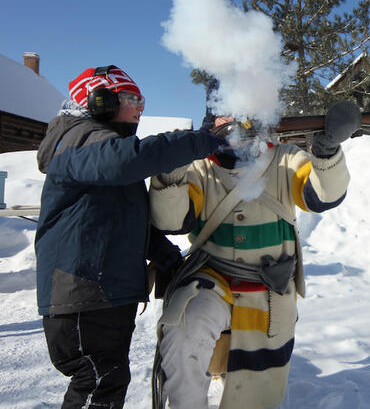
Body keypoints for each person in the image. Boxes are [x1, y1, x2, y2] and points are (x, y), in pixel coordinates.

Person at [34, 65, 228, 409]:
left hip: (102, 295)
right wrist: (203, 140)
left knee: (106, 382)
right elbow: (128, 160)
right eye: (130, 99)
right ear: (99, 102)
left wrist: (162, 251)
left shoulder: (100, 149)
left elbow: (124, 216)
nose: (140, 108)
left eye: (141, 100)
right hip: (82, 294)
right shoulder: (80, 138)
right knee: (98, 382)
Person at [149, 100, 360, 409]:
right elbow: (171, 222)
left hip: (268, 287)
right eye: (225, 110)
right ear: (211, 118)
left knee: (257, 389)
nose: (236, 119)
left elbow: (321, 196)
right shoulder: (197, 167)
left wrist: (326, 152)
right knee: (184, 329)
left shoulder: (287, 159)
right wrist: (171, 171)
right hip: (211, 278)